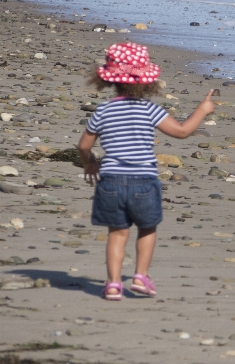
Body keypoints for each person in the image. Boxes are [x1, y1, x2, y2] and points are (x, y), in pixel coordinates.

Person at [78, 42, 214, 301]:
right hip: (143, 181)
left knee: (117, 233)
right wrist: (203, 110)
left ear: (108, 79)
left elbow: (84, 145)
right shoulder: (149, 109)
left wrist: (89, 162)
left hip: (111, 182)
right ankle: (140, 276)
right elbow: (183, 132)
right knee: (147, 228)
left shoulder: (104, 110)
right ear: (147, 81)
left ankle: (113, 284)